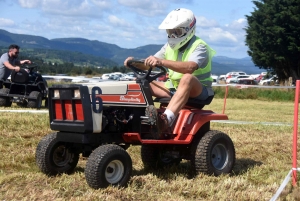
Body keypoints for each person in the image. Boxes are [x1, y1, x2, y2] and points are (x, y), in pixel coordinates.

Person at [124, 8, 215, 138]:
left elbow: (190, 67)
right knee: (141, 83)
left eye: (177, 32)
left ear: (189, 30)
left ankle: (165, 120)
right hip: (174, 89)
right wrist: (133, 62)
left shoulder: (199, 46)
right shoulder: (168, 47)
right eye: (170, 32)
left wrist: (161, 62)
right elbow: (149, 63)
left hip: (200, 91)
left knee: (187, 78)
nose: (172, 36)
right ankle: (139, 119)